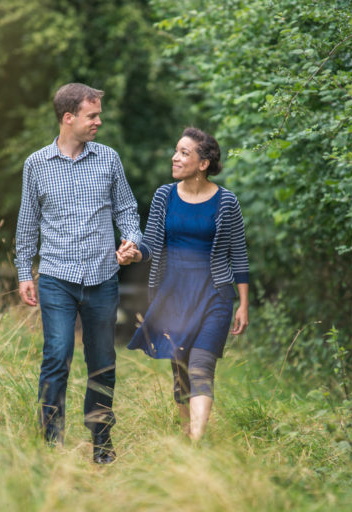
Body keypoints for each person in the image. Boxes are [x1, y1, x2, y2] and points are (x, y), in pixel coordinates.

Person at [14, 83, 142, 464]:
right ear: (68, 118)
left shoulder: (109, 159)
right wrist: (24, 272)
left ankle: (101, 442)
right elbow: (27, 224)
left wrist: (130, 241)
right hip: (56, 277)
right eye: (92, 115)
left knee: (102, 361)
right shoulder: (36, 164)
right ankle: (50, 442)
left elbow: (127, 211)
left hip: (103, 278)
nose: (99, 122)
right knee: (57, 355)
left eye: (98, 114)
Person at [118, 127, 249, 441]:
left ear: (203, 163)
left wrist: (243, 304)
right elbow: (150, 244)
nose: (175, 158)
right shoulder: (164, 195)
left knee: (202, 365)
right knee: (181, 370)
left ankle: (196, 442)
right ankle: (185, 435)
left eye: (184, 153)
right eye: (176, 151)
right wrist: (133, 254)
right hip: (173, 296)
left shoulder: (227, 202)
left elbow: (239, 255)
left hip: (214, 295)